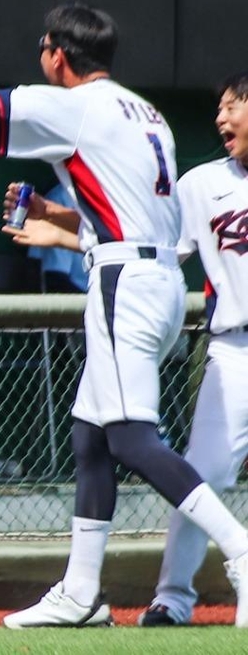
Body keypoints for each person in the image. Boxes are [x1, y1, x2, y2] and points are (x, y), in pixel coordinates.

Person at [0, 2, 248, 628]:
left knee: (133, 440)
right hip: (154, 278)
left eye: (43, 49)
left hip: (124, 283)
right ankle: (81, 592)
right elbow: (134, 216)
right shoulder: (149, 114)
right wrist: (60, 222)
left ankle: (241, 549)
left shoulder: (76, 104)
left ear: (58, 53)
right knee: (90, 435)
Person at [131, 73, 248, 626]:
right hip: (235, 351)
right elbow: (153, 249)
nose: (222, 119)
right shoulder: (201, 184)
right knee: (200, 474)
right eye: (219, 108)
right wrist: (62, 227)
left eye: (234, 107)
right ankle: (173, 598)